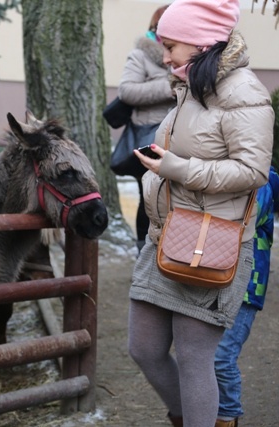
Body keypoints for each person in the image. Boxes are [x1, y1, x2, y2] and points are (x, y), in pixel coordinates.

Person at [129, 0, 275, 426]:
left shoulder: (244, 93)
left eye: (170, 44)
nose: (164, 54)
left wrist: (177, 169)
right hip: (165, 238)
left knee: (195, 360)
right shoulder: (193, 85)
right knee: (144, 348)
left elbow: (253, 171)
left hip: (209, 245)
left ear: (199, 43)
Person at [214, 166, 279, 427]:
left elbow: (242, 220)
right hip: (215, 279)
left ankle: (227, 417)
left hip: (247, 286)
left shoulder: (260, 180)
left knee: (221, 356)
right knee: (202, 356)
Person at [117, 4, 176, 254]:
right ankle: (144, 249)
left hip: (178, 138)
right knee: (149, 195)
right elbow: (126, 91)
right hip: (149, 137)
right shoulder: (141, 55)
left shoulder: (189, 52)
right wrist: (170, 86)